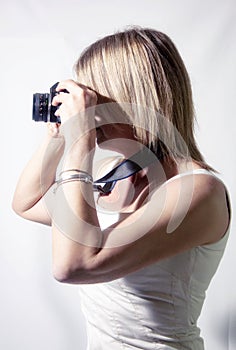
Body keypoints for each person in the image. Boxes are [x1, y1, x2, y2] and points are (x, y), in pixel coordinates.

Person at [12, 27, 231, 350]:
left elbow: (74, 266)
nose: (89, 112)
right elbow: (28, 203)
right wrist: (58, 136)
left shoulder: (199, 191)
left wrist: (81, 143)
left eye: (96, 99)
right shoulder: (114, 176)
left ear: (133, 100)